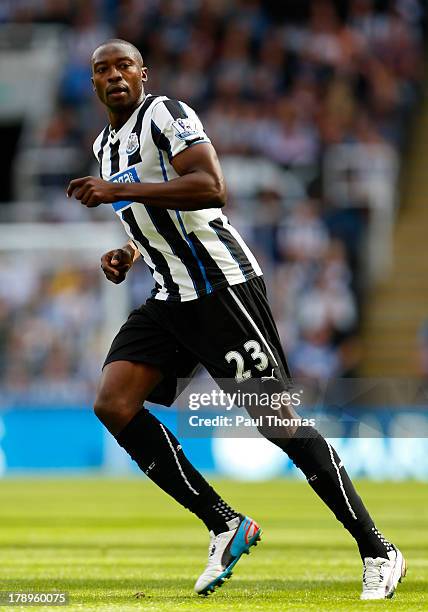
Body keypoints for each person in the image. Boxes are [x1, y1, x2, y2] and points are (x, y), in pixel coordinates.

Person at [67, 39, 405, 600]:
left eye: (124, 65)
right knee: (114, 403)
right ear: (95, 84)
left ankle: (377, 549)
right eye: (103, 70)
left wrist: (117, 190)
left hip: (223, 287)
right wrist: (127, 252)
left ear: (142, 73)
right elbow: (143, 216)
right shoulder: (104, 144)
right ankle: (225, 523)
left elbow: (209, 187)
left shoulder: (167, 115)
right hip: (170, 295)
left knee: (280, 423)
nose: (115, 75)